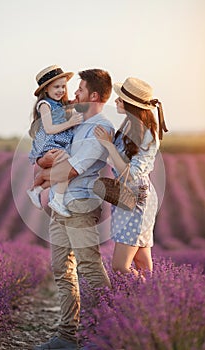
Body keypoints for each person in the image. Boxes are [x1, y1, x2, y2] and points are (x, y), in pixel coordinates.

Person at [33, 69, 114, 350]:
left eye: (79, 89)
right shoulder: (75, 122)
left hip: (80, 205)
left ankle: (102, 335)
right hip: (60, 204)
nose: (73, 93)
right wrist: (44, 162)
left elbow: (72, 170)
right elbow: (45, 155)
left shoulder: (101, 129)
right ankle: (67, 336)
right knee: (61, 269)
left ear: (93, 95)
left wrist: (46, 171)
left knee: (89, 268)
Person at [94, 77, 168, 280]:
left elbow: (130, 173)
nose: (116, 102)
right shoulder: (129, 125)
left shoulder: (148, 135)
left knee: (120, 266)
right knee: (142, 261)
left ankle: (146, 297)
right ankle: (151, 301)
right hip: (127, 195)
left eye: (120, 99)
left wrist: (109, 145)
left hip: (137, 196)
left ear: (131, 105)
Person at [27, 65, 83, 217]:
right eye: (56, 87)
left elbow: (67, 109)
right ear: (46, 90)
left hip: (59, 142)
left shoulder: (59, 104)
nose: (61, 90)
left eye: (63, 86)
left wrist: (76, 101)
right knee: (67, 168)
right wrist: (70, 123)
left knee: (64, 172)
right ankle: (57, 200)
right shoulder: (44, 105)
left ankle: (37, 190)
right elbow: (49, 128)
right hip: (50, 143)